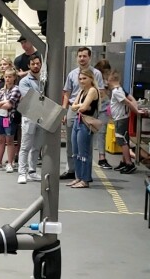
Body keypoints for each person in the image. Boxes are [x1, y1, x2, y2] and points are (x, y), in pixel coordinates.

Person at [61, 47, 104, 180]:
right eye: (79, 56)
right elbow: (67, 93)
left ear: (89, 57)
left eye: (84, 56)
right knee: (71, 142)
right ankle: (72, 170)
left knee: (85, 143)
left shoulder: (96, 74)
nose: (82, 58)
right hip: (72, 110)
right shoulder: (72, 74)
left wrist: (91, 106)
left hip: (88, 113)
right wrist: (64, 111)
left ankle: (86, 175)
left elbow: (101, 92)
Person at [108, 70, 149, 174]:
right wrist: (136, 107)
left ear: (111, 80)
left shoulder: (116, 92)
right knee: (124, 139)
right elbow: (131, 99)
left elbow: (128, 102)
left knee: (122, 141)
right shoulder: (120, 89)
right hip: (121, 118)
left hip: (120, 119)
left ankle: (129, 163)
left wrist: (136, 110)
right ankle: (124, 161)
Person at [16, 53, 44, 183]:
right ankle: (22, 172)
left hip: (43, 116)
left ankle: (32, 171)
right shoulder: (24, 81)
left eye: (38, 63)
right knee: (25, 146)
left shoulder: (44, 80)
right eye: (33, 64)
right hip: (29, 116)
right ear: (29, 66)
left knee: (37, 146)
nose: (36, 66)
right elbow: (31, 98)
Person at [70, 70, 99, 189]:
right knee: (76, 152)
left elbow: (83, 108)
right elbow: (73, 107)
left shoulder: (92, 90)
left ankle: (85, 179)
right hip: (78, 121)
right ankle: (78, 177)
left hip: (85, 123)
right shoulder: (82, 91)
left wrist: (79, 106)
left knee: (84, 153)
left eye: (84, 78)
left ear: (91, 79)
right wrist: (79, 106)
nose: (82, 81)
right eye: (80, 79)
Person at [0, 68, 21, 172]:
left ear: (14, 78)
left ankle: (10, 163)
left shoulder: (16, 89)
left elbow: (9, 105)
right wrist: (4, 101)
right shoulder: (2, 90)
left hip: (9, 118)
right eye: (6, 77)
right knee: (0, 140)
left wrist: (1, 103)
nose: (7, 79)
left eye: (10, 77)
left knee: (9, 140)